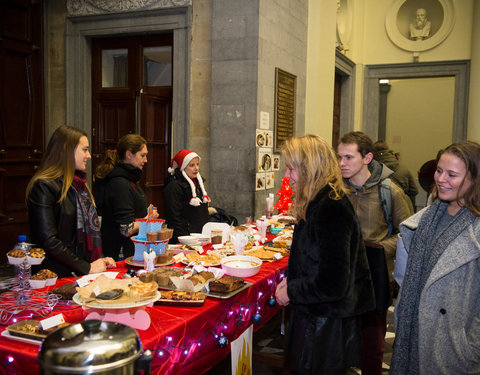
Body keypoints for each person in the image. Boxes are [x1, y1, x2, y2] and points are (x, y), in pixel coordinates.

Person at [274, 135, 375, 374]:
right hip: (317, 316)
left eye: (291, 169)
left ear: (309, 169)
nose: (286, 177)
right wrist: (293, 279)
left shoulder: (330, 207)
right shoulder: (319, 201)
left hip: (325, 324)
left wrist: (292, 290)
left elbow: (333, 282)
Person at [390, 141, 480, 374]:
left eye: (452, 174)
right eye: (439, 170)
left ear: (474, 179)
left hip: (451, 347)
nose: (441, 179)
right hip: (411, 334)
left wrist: (471, 347)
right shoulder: (426, 218)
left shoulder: (475, 231)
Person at [337, 131, 413, 375]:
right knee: (337, 338)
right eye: (339, 157)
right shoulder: (335, 190)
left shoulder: (390, 191)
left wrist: (379, 248)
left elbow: (408, 233)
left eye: (349, 157)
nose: (341, 163)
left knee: (372, 341)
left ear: (367, 157)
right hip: (341, 274)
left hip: (374, 275)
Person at [26, 125, 116, 278]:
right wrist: (86, 267)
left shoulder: (80, 186)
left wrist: (99, 260)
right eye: (85, 149)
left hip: (79, 272)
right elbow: (49, 241)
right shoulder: (44, 186)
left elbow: (86, 237)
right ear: (67, 150)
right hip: (54, 277)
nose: (89, 155)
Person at [94, 134, 158, 260]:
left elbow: (132, 214)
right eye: (142, 155)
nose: (146, 160)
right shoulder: (119, 183)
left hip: (132, 250)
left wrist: (146, 213)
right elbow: (126, 229)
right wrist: (149, 219)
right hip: (121, 253)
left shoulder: (131, 180)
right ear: (129, 154)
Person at [163, 149, 210, 243]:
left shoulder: (198, 183)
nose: (196, 168)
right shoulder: (174, 187)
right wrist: (186, 239)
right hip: (184, 238)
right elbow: (174, 218)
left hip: (199, 236)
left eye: (197, 164)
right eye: (192, 165)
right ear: (183, 167)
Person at [373, 140, 418, 211]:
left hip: (380, 209)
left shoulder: (372, 170)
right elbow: (414, 191)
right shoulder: (403, 168)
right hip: (402, 208)